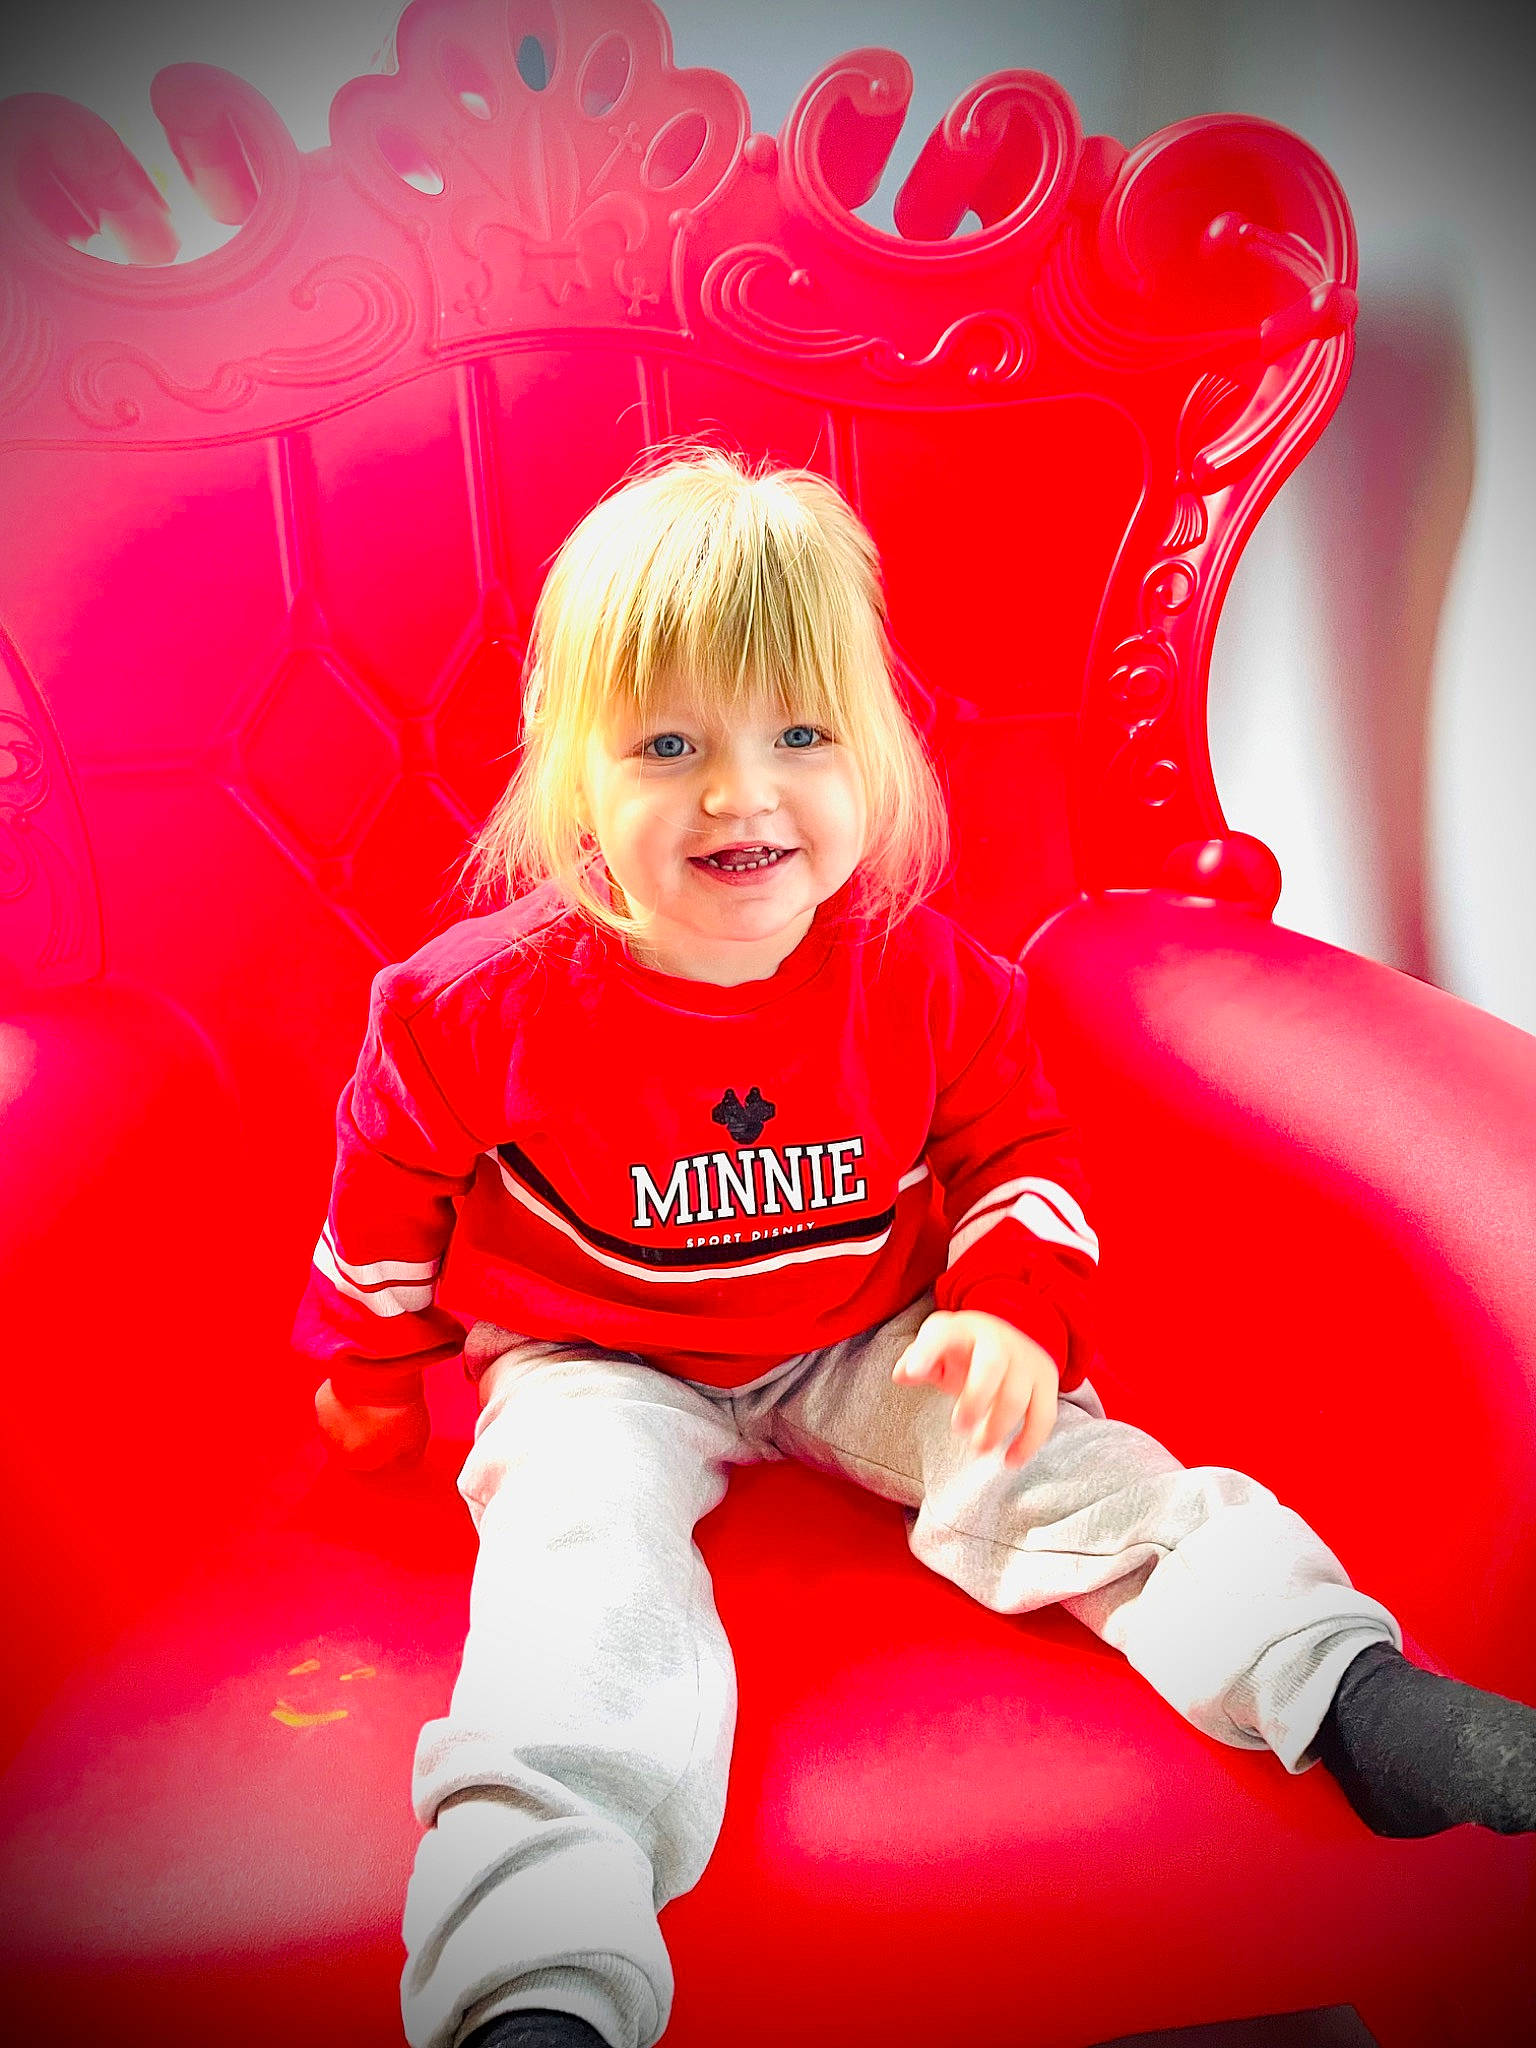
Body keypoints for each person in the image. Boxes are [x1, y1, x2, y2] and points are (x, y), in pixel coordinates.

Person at [293, 442, 1536, 2048]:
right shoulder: (473, 1003)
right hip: (598, 1359)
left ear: (871, 753)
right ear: (573, 774)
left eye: (799, 732)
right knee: (577, 1579)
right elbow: (385, 1189)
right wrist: (373, 1374)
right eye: (672, 743)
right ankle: (536, 1976)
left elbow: (1019, 1158)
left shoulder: (926, 978)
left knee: (1061, 1461)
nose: (744, 791)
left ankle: (1343, 1689)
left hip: (862, 1327)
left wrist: (1013, 1318)